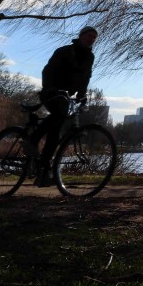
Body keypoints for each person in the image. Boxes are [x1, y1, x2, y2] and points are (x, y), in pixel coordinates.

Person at [34, 25, 97, 187]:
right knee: (58, 116)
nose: (91, 39)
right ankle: (32, 140)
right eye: (89, 36)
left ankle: (43, 172)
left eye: (93, 37)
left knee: (55, 134)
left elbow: (85, 78)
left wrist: (82, 96)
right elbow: (47, 70)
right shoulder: (64, 51)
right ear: (81, 36)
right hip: (52, 92)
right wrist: (50, 88)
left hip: (66, 96)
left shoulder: (90, 57)